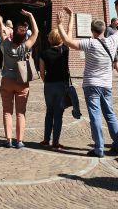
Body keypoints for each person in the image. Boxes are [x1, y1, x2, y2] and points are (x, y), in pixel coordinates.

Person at [58, 0, 118, 158]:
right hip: (106, 85)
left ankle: (99, 148)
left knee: (95, 115)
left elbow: (68, 42)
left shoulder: (90, 44)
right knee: (110, 114)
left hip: (91, 84)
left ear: (92, 30)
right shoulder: (111, 41)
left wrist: (60, 24)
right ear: (104, 30)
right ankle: (117, 144)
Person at [0, 1, 39, 148]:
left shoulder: (5, 44)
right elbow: (36, 32)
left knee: (7, 111)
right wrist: (31, 16)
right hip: (21, 82)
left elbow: (0, 25)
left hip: (7, 80)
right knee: (21, 113)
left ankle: (8, 140)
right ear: (24, 36)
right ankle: (20, 141)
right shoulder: (26, 46)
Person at [39, 12, 77, 149]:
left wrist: (46, 82)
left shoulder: (43, 53)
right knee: (58, 114)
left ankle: (45, 139)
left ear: (49, 39)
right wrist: (71, 17)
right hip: (62, 85)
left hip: (49, 85)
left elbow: (42, 72)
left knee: (49, 112)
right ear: (62, 39)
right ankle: (55, 142)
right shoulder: (65, 49)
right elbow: (69, 33)